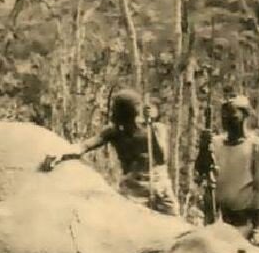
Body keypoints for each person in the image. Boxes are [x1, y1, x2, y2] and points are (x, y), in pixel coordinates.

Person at [41, 88, 179, 216]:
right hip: (133, 188)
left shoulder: (153, 129)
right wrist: (61, 154)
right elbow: (84, 146)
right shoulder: (114, 132)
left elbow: (163, 158)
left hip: (159, 184)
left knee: (177, 226)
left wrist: (153, 130)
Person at [212, 95, 259, 243]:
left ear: (245, 116)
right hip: (220, 222)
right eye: (225, 116)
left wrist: (256, 229)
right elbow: (205, 176)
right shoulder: (216, 144)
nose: (228, 120)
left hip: (246, 223)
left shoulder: (256, 146)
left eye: (233, 116)